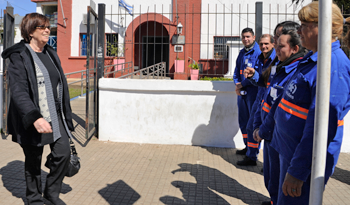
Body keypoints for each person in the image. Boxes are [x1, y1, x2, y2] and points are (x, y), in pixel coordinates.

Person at [270, 2, 350, 204]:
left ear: (324, 26)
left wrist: (298, 171)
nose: (299, 30)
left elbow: (321, 127)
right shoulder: (313, 59)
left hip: (303, 161)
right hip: (289, 151)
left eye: (305, 24)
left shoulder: (333, 66)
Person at [1, 13, 74, 205]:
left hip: (55, 115)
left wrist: (66, 112)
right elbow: (19, 91)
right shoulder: (19, 56)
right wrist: (35, 117)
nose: (47, 30)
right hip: (34, 117)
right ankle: (34, 198)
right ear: (30, 31)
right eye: (42, 27)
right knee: (33, 161)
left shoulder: (51, 53)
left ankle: (51, 193)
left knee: (63, 154)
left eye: (48, 26)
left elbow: (60, 84)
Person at [237, 34, 275, 166]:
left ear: (273, 44)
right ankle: (251, 156)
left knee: (270, 133)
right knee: (250, 126)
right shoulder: (260, 58)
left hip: (272, 100)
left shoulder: (275, 59)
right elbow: (260, 79)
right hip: (260, 97)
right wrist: (251, 76)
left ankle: (270, 165)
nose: (264, 46)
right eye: (262, 44)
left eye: (266, 44)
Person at [233, 28, 261, 155]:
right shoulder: (241, 53)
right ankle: (247, 147)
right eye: (244, 37)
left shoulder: (258, 53)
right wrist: (237, 84)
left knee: (252, 123)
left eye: (248, 36)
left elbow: (255, 75)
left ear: (254, 37)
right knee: (243, 121)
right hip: (242, 93)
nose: (246, 39)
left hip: (253, 92)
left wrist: (241, 85)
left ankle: (252, 153)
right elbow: (236, 72)